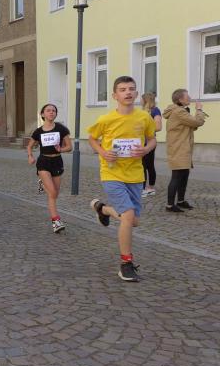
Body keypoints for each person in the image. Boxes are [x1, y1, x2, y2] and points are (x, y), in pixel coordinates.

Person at [88, 76, 156, 282]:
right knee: (127, 216)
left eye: (131, 89)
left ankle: (103, 209)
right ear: (115, 95)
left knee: (133, 221)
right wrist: (103, 152)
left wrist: (145, 149)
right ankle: (126, 263)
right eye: (123, 89)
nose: (128, 92)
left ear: (136, 94)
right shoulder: (106, 119)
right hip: (111, 173)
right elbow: (92, 138)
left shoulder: (144, 117)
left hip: (135, 175)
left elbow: (152, 139)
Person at [26, 104, 72, 233]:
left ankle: (42, 183)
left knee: (55, 193)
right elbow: (29, 146)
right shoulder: (38, 131)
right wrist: (30, 156)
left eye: (54, 111)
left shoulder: (61, 129)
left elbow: (69, 147)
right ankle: (56, 221)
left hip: (57, 161)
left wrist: (61, 149)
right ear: (43, 114)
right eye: (48, 110)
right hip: (43, 162)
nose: (51, 112)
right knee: (52, 192)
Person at [162, 89, 208, 212]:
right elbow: (198, 122)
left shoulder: (180, 110)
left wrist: (193, 119)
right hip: (179, 148)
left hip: (182, 147)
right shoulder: (178, 111)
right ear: (180, 99)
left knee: (184, 175)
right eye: (187, 96)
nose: (190, 98)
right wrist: (199, 110)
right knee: (177, 176)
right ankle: (170, 205)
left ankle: (181, 201)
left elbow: (192, 126)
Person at [140, 93, 162, 196]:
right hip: (141, 142)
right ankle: (146, 188)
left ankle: (147, 188)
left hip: (149, 142)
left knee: (147, 166)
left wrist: (144, 129)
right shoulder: (142, 112)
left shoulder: (155, 110)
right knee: (144, 166)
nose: (140, 101)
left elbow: (158, 127)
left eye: (141, 99)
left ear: (145, 100)